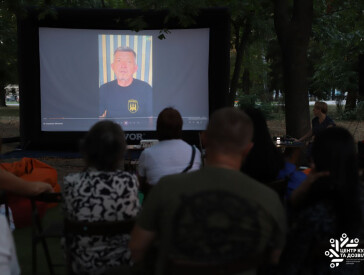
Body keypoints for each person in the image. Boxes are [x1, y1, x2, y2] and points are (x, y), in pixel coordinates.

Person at [129, 107, 287, 275]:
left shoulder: (164, 189)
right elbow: (276, 258)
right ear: (248, 148)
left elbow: (137, 249)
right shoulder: (269, 199)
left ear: (204, 139)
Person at [278, 127, 362, 274]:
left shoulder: (314, 211)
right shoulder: (357, 198)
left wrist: (294, 200)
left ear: (316, 161)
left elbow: (289, 263)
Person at [62, 120, 141, 275]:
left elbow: (68, 235)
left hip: (83, 267)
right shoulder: (130, 182)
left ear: (87, 148)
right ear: (120, 151)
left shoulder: (70, 183)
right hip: (122, 267)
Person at [137, 107, 201, 189]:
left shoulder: (147, 154)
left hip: (159, 201)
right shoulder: (195, 152)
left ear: (158, 128)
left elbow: (139, 185)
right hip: (187, 200)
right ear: (180, 127)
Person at [99, 46, 153, 118]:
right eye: (119, 60)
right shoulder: (104, 89)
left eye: (129, 61)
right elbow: (98, 117)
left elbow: (151, 118)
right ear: (112, 66)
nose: (123, 66)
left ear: (135, 68)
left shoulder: (146, 88)